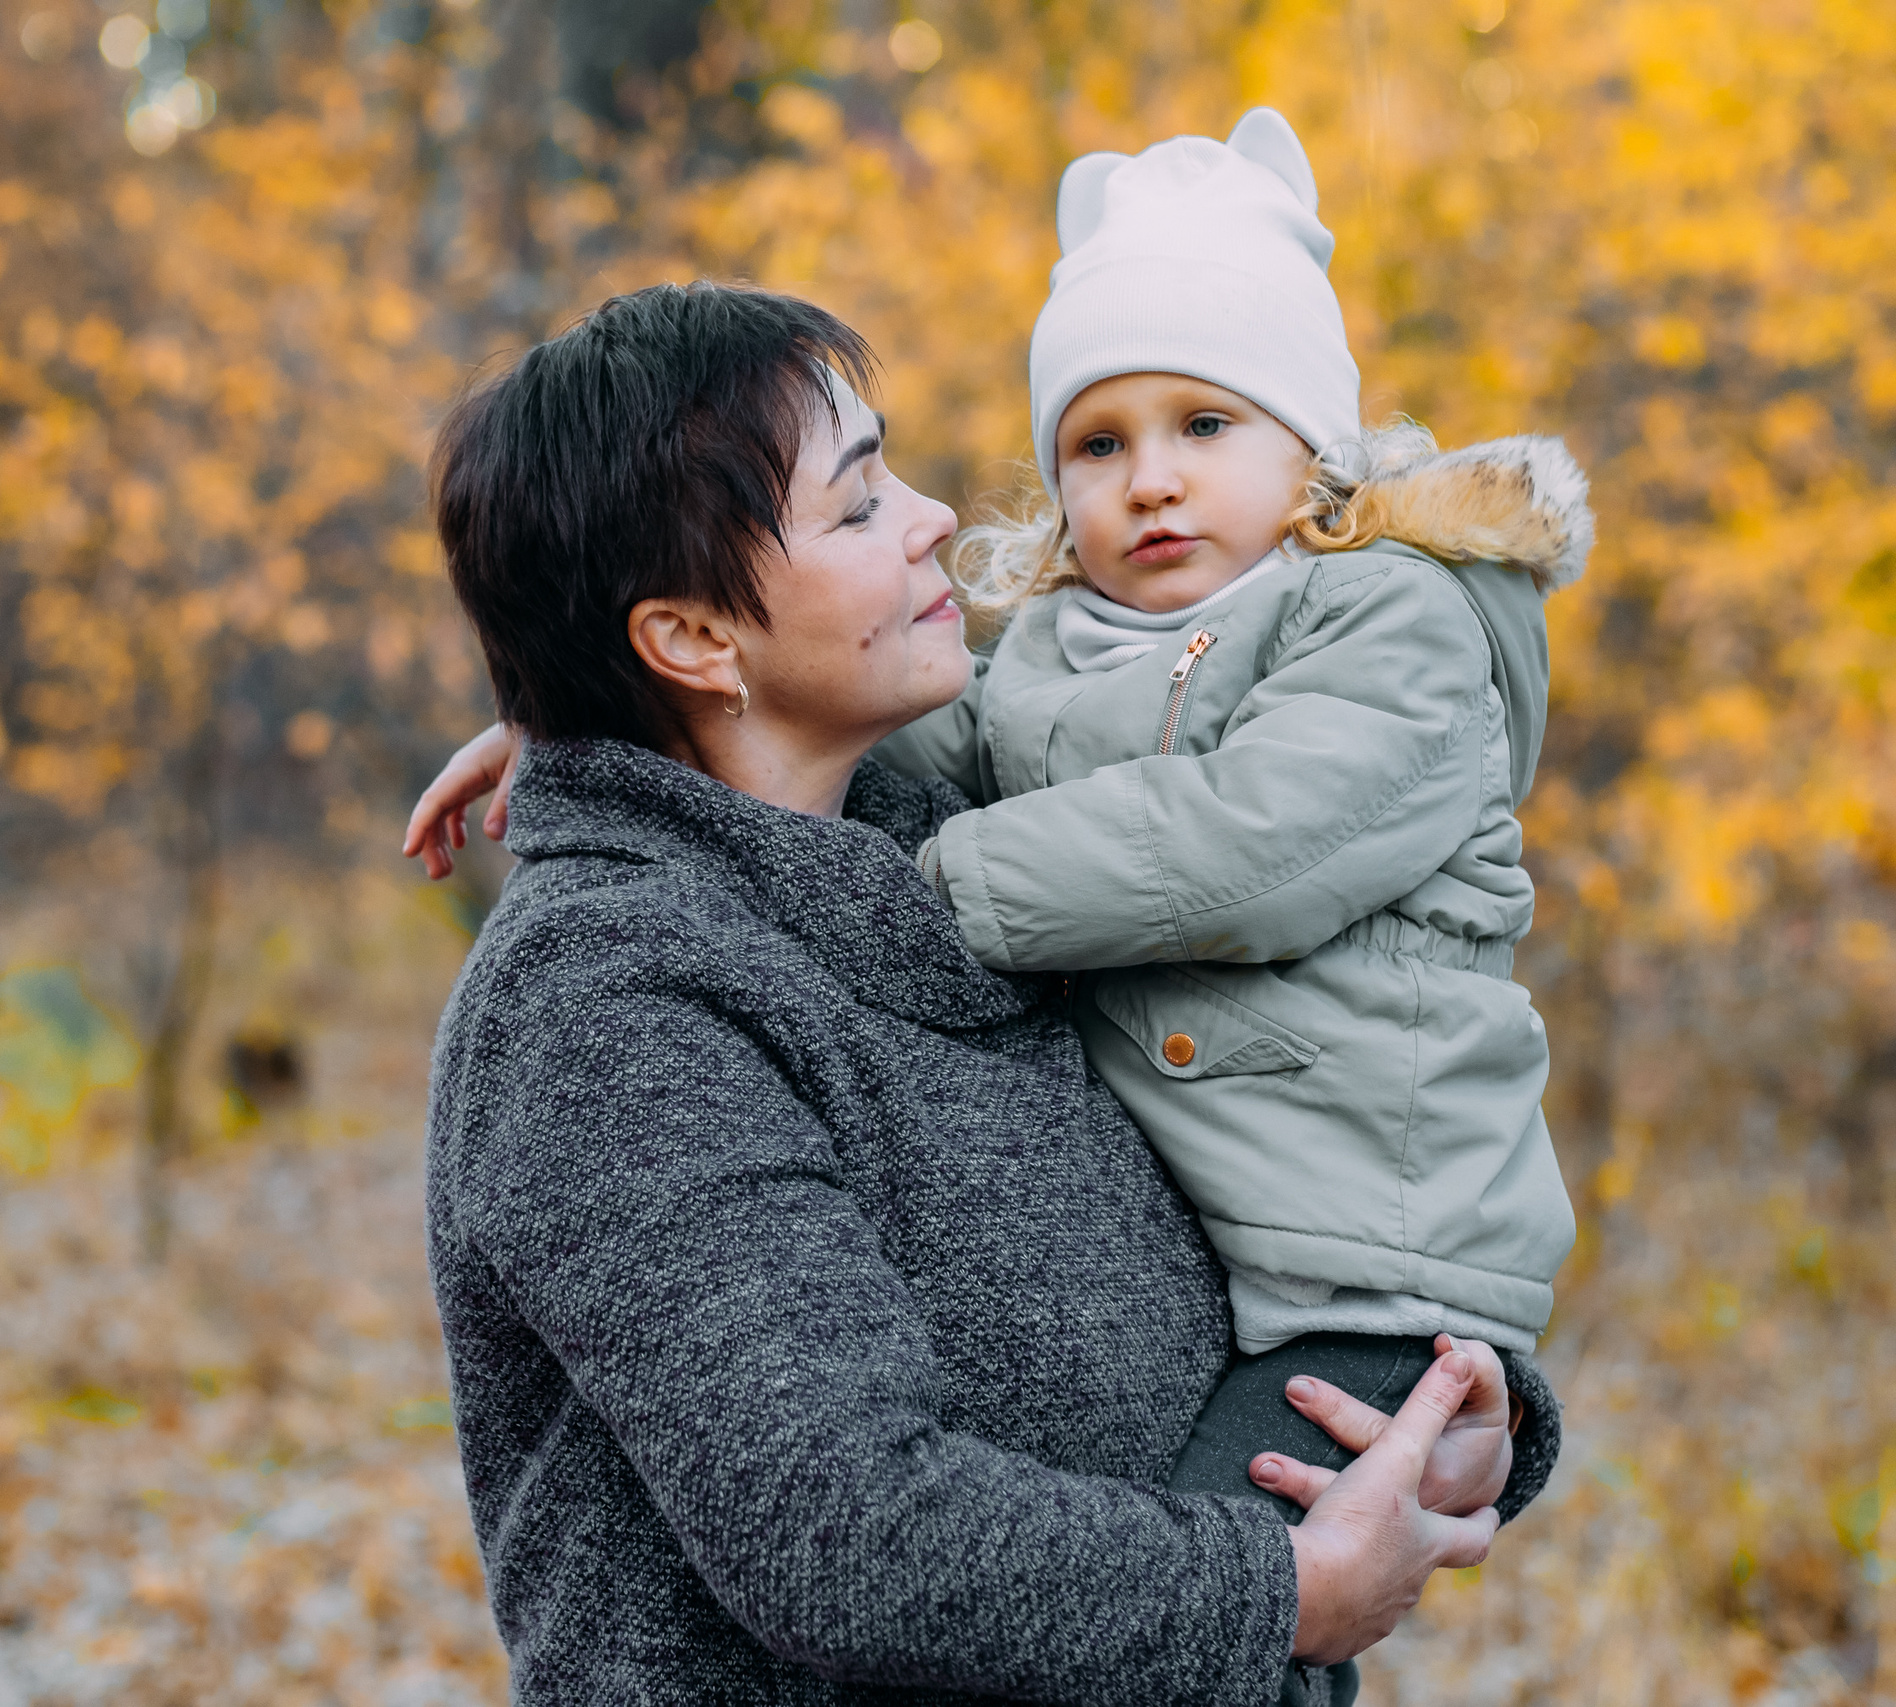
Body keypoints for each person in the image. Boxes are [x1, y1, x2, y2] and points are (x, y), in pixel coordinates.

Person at [413, 111, 1584, 1537]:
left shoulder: (1376, 624)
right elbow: (847, 1531)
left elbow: (1248, 840)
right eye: (857, 511)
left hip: (1373, 1260)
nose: (933, 520)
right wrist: (564, 710)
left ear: (1310, 451)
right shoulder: (619, 998)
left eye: (1207, 425)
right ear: (692, 640)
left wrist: (1489, 1424)